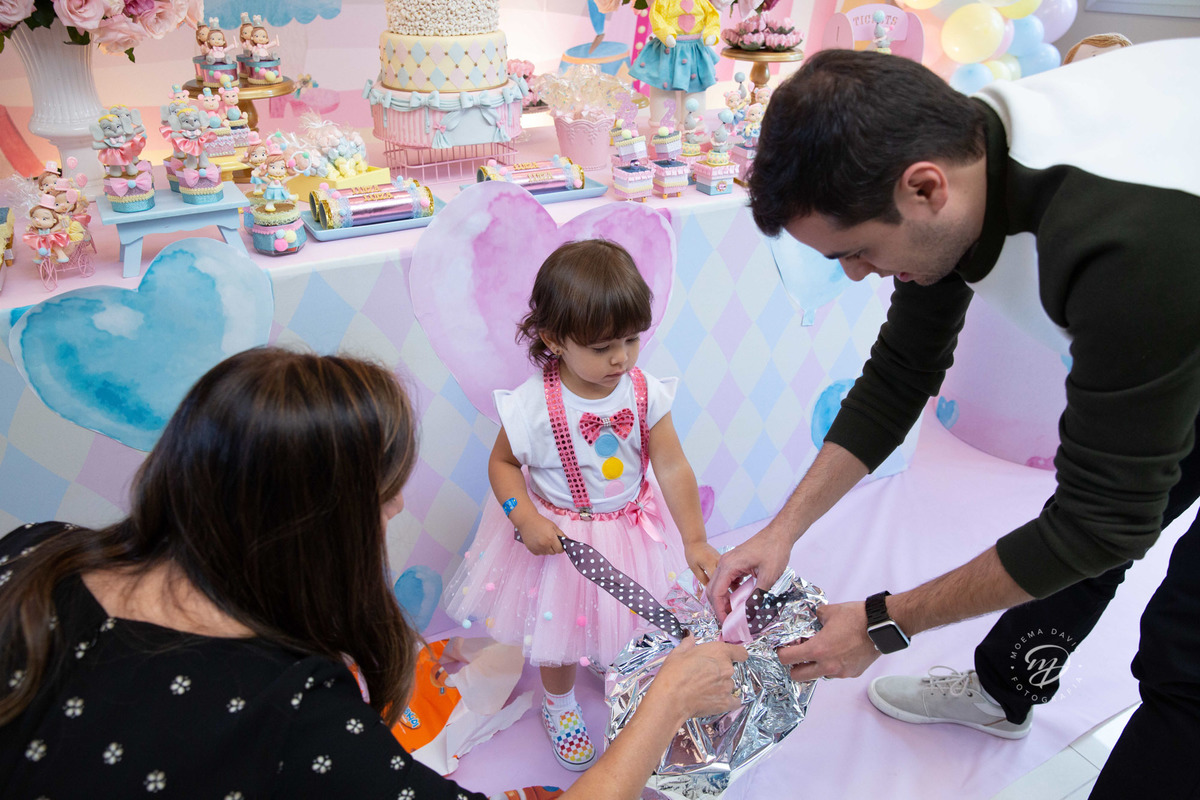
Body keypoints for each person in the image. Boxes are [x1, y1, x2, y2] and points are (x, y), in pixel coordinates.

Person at [707, 40, 1200, 797]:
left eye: (857, 251)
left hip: (1175, 281)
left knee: (1183, 653)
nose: (856, 275)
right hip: (1179, 326)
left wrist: (884, 624)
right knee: (1087, 526)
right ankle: (1005, 688)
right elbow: (900, 374)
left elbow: (1102, 525)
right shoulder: (960, 156)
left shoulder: (1130, 246)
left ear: (924, 188)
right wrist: (783, 530)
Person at [0, 347, 746, 799]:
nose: (395, 510)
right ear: (315, 526)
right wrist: (666, 703)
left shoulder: (34, 552)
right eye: (384, 494)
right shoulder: (295, 715)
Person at [446, 239, 721, 772]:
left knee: (626, 614)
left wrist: (694, 540)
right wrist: (524, 516)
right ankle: (559, 702)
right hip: (564, 543)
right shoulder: (532, 406)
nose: (621, 358)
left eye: (631, 340)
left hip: (632, 531)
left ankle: (608, 653)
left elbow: (672, 466)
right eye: (601, 347)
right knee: (562, 634)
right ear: (554, 340)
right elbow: (502, 464)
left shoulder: (644, 393)